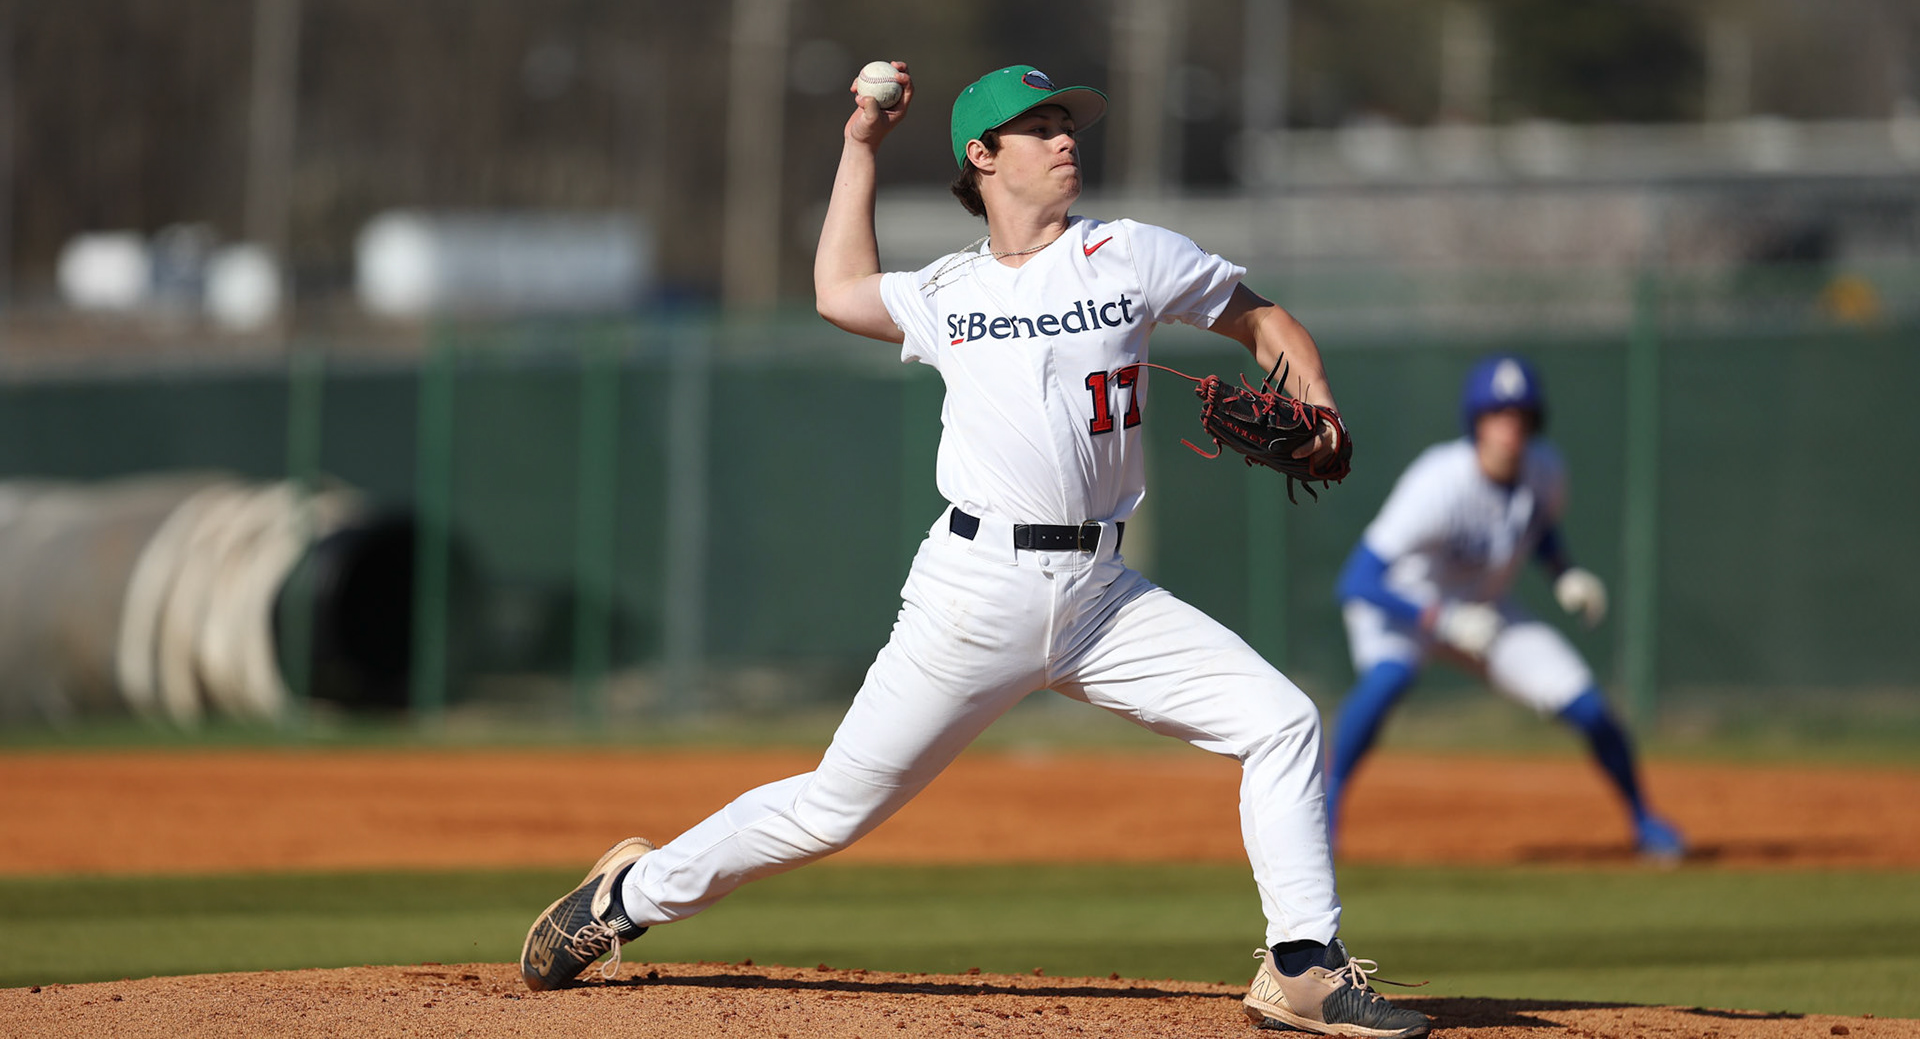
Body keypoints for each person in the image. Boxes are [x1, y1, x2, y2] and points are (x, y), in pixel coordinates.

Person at [519, 62, 1432, 1038]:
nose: (1065, 137)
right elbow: (836, 289)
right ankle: (627, 895)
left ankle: (1301, 965)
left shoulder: (1132, 251)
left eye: (1067, 122)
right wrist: (860, 144)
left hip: (1101, 596)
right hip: (975, 588)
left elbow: (1262, 319)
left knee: (1282, 719)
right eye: (1039, 126)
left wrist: (1319, 401)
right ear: (983, 156)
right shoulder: (949, 289)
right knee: (834, 808)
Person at [1325, 354, 1685, 862]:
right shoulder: (1438, 480)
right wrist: (1440, 619)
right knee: (1389, 679)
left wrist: (1564, 573)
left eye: (1521, 417)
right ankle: (1327, 804)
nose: (1509, 429)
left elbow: (1534, 526)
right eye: (1498, 415)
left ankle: (1643, 820)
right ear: (1476, 422)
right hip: (1405, 603)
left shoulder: (1546, 470)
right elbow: (1358, 579)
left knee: (1589, 708)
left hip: (1487, 611)